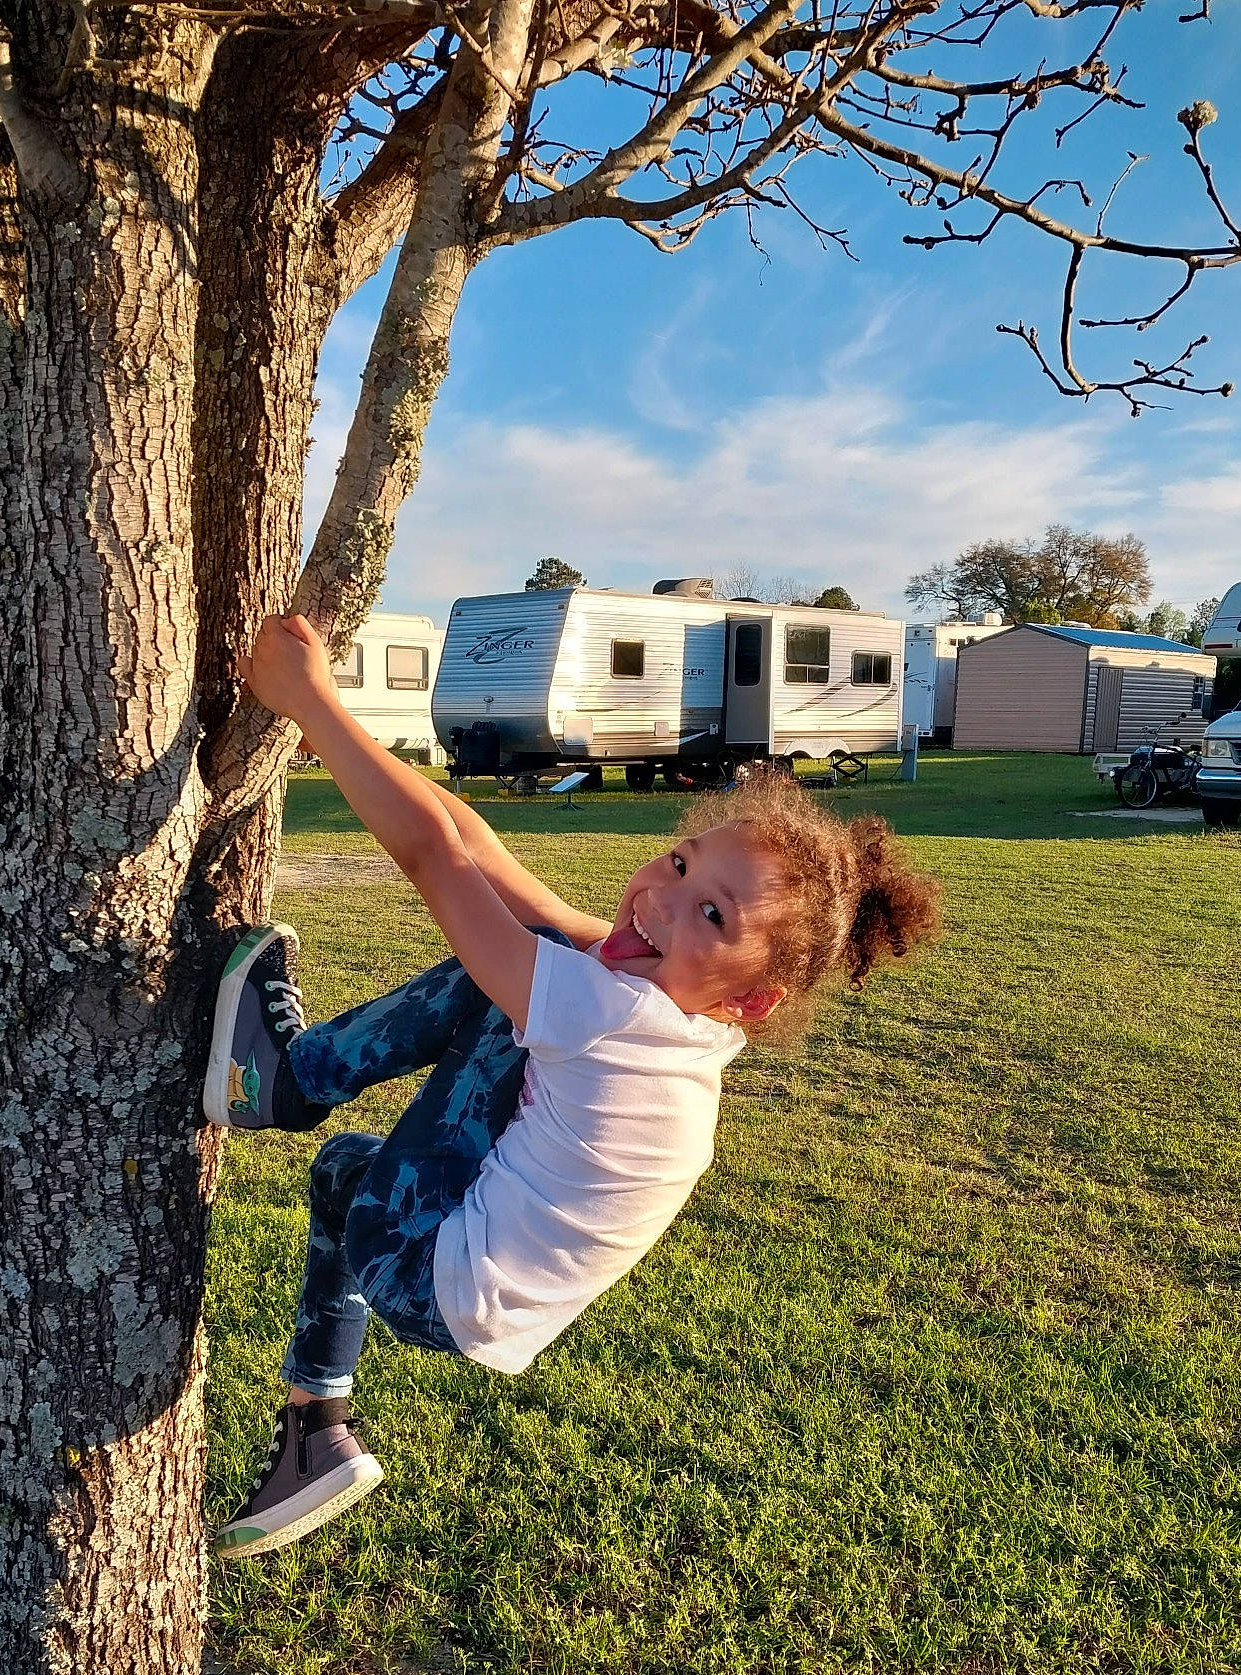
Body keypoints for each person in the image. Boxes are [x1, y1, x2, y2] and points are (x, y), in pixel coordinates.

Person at [208, 615, 940, 1556]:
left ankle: (285, 1080)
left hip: (426, 1263)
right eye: (681, 864)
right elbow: (483, 851)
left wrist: (315, 704)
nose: (662, 898)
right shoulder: (680, 1021)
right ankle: (318, 1425)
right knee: (347, 1172)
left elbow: (439, 859)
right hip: (457, 1291)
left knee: (527, 964)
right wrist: (323, 725)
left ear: (753, 997)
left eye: (710, 912)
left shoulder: (613, 1014)